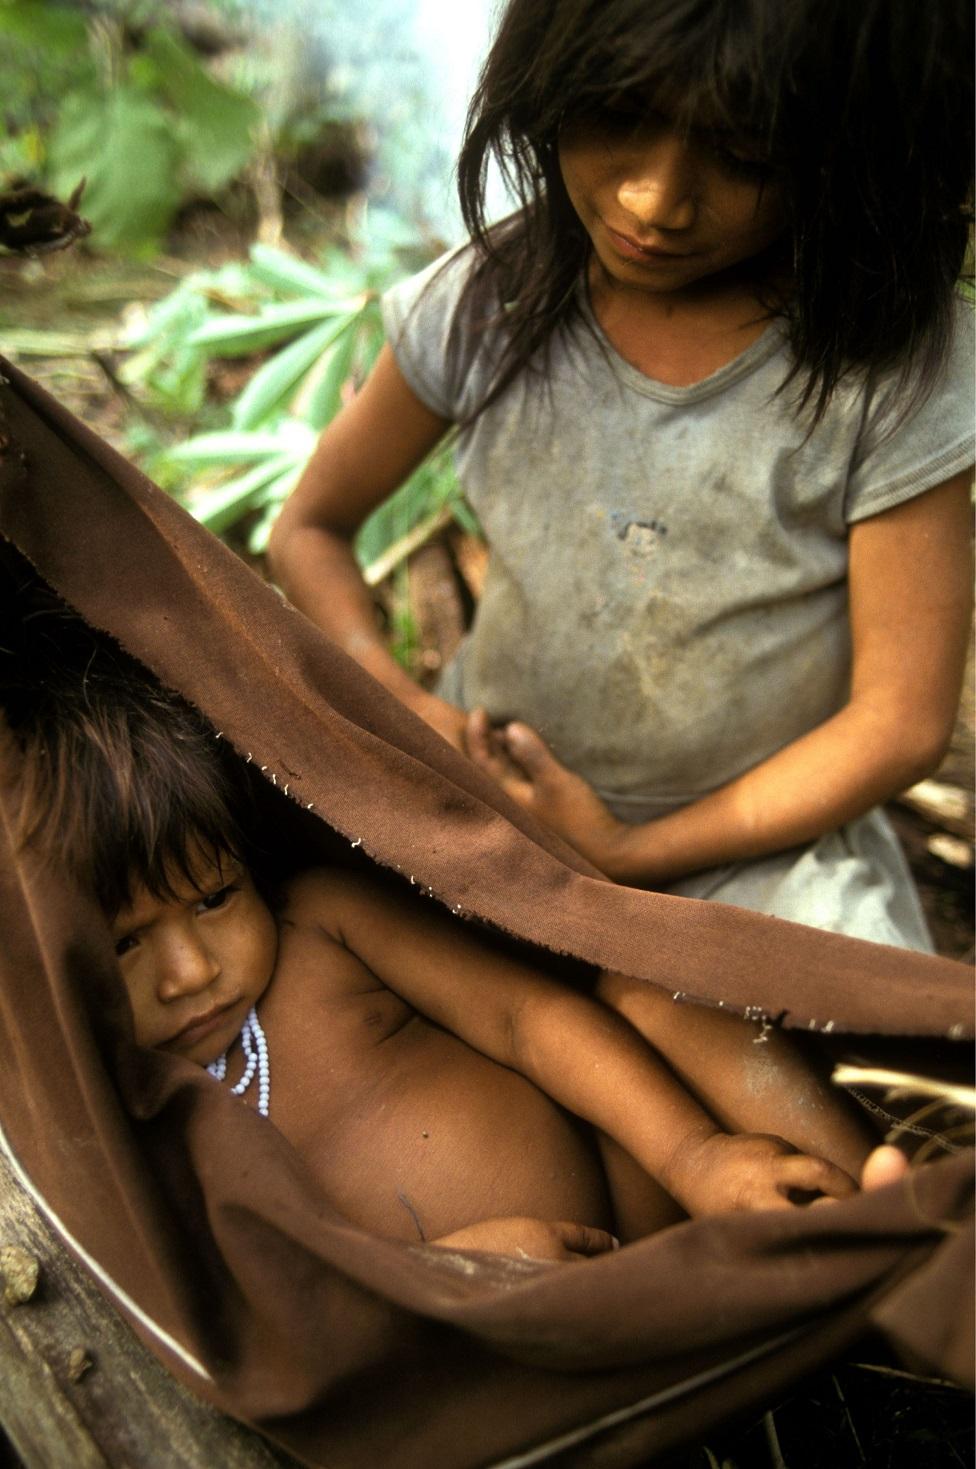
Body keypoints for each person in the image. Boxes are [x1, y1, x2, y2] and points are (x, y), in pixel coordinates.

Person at [267, 0, 974, 951]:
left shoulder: (886, 370)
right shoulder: (493, 299)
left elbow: (897, 722)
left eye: (748, 156)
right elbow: (308, 529)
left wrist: (633, 854)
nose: (656, 202)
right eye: (620, 116)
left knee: (827, 1026)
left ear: (850, 155)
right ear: (543, 88)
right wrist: (412, 713)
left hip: (759, 856)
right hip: (488, 803)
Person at [4, 576, 887, 1261]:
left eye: (215, 897)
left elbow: (526, 1017)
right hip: (470, 1337)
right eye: (125, 941)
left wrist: (692, 1156)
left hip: (643, 1201)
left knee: (653, 993)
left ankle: (880, 1220)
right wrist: (450, 1276)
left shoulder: (320, 924)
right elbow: (274, 1290)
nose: (191, 969)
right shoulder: (126, 1110)